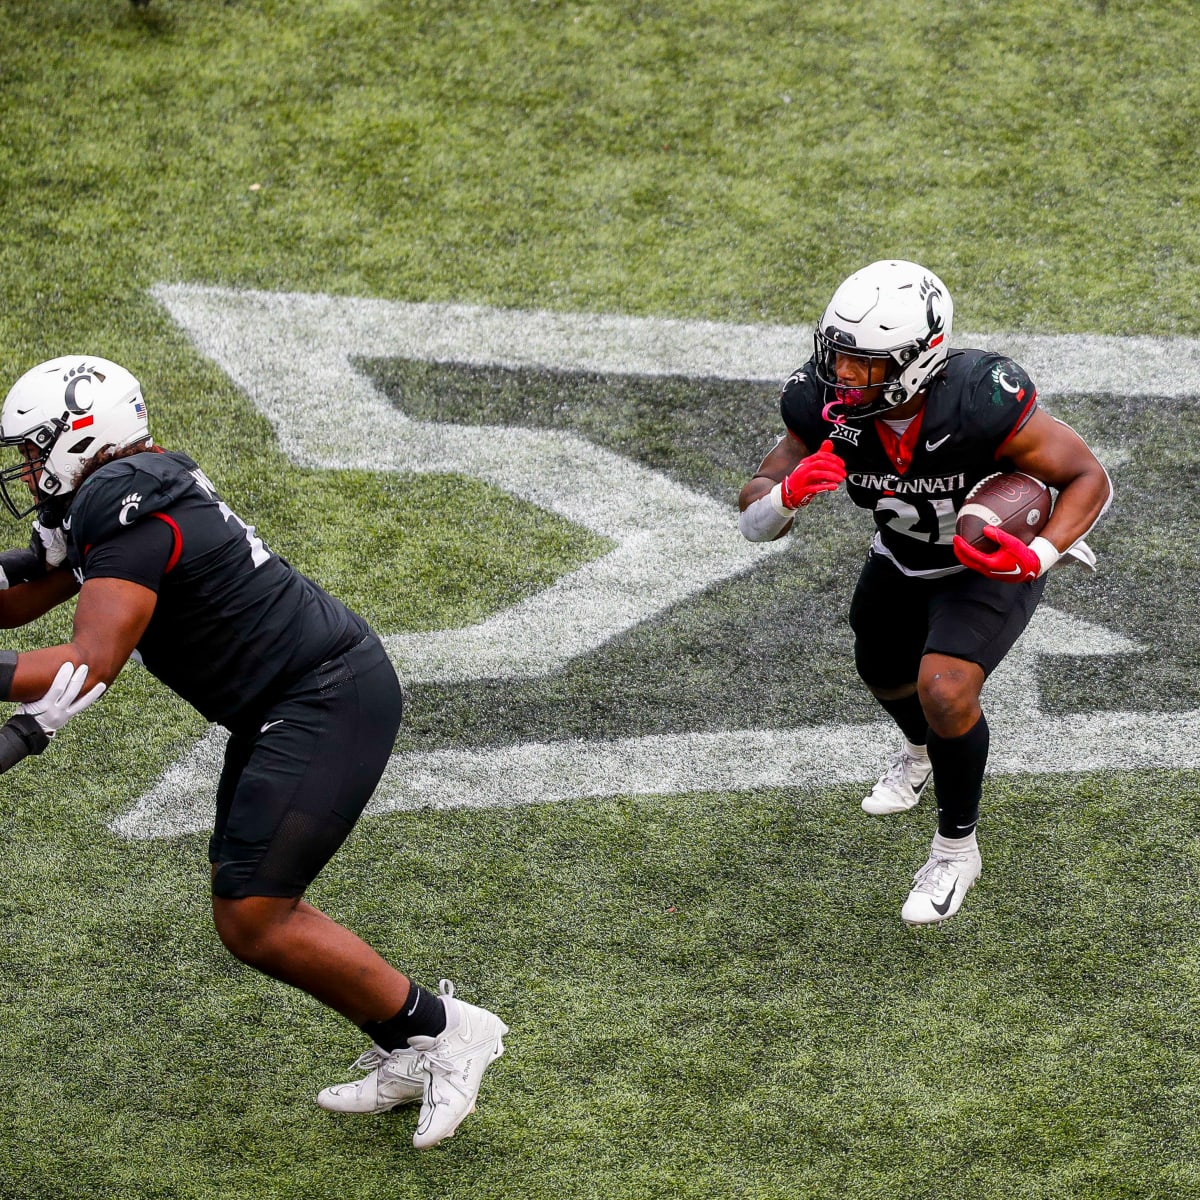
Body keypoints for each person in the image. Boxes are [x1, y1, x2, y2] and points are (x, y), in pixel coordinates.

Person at [0, 355, 507, 1148]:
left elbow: (83, 663)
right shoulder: (116, 493)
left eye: (34, 448)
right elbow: (21, 596)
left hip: (324, 696)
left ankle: (450, 1033)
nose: (28, 468)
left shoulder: (126, 505)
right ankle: (418, 1037)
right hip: (288, 701)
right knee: (248, 916)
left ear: (79, 436)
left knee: (255, 912)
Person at [738, 260, 1112, 925]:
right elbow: (752, 515)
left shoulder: (978, 397)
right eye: (838, 355)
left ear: (917, 361)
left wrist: (1036, 555)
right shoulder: (819, 404)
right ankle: (917, 755)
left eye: (864, 363)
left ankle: (955, 850)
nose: (843, 374)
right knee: (881, 670)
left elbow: (1087, 475)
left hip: (987, 563)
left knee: (945, 688)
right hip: (903, 554)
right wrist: (784, 497)